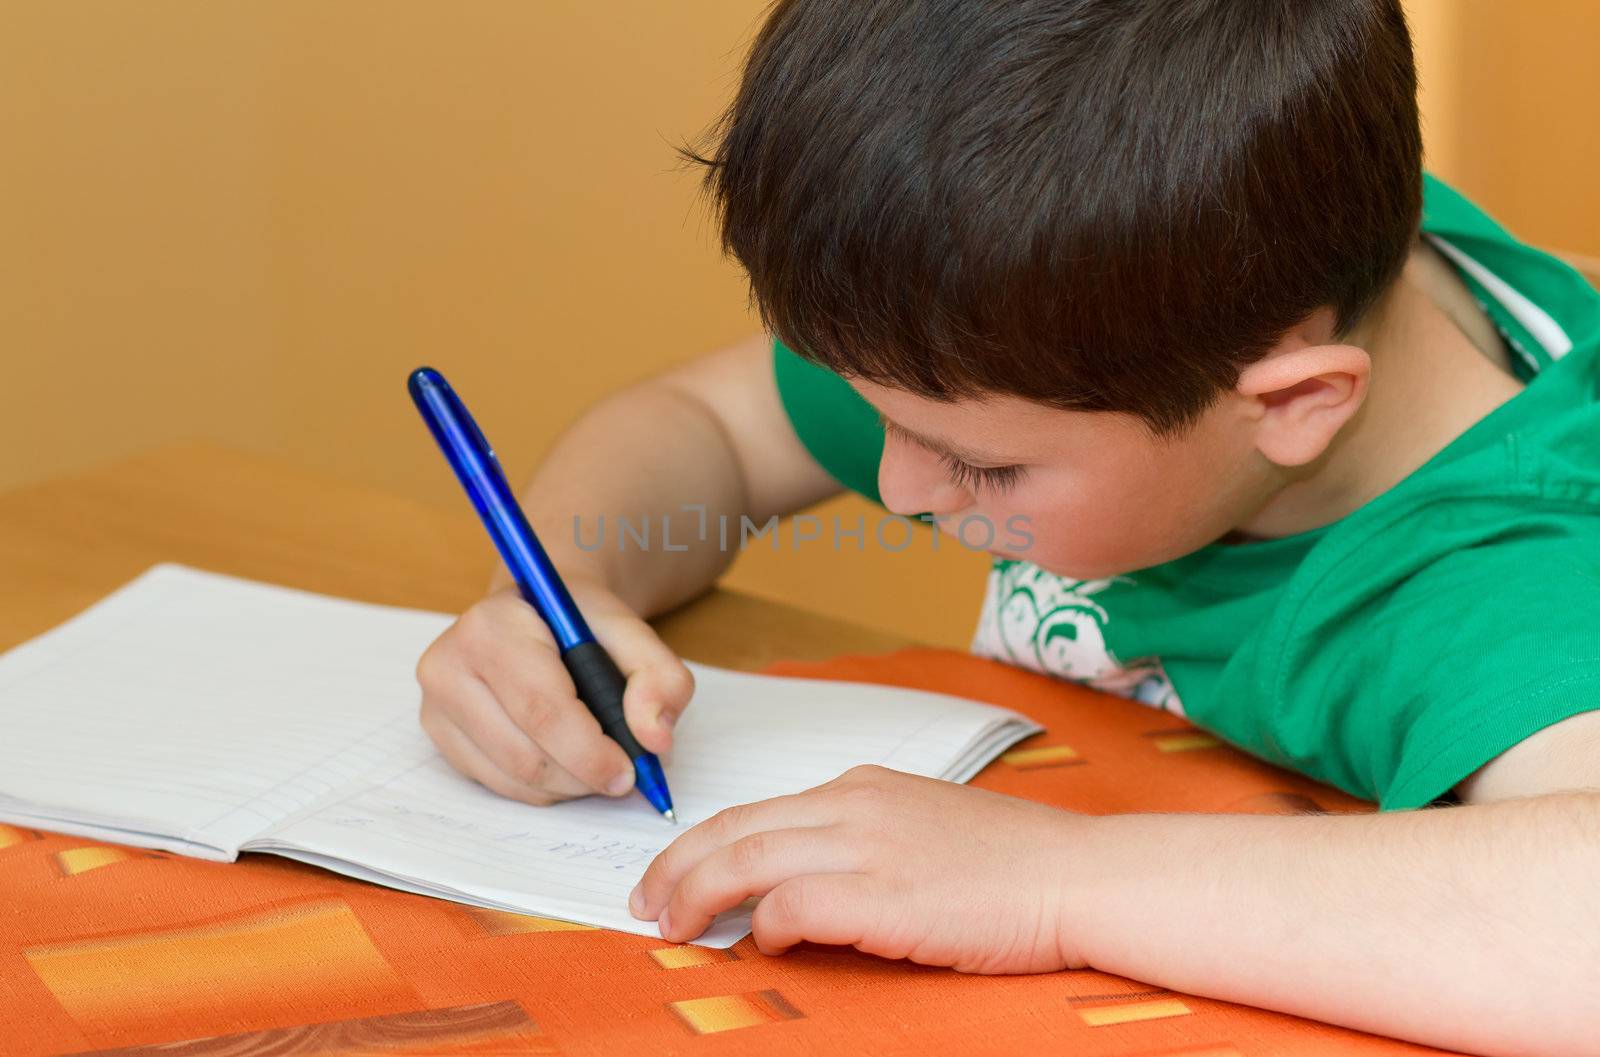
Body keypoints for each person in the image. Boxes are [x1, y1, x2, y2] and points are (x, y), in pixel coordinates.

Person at [413, 2, 1600, 1051]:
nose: (898, 489)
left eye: (978, 462)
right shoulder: (1154, 275)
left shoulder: (1507, 581)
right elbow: (707, 429)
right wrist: (563, 587)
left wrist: (1054, 879)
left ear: (1290, 405)